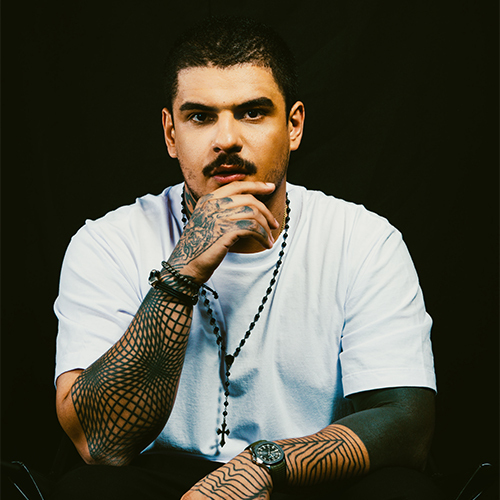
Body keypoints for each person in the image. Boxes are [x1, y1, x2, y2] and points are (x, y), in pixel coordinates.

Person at [53, 16, 440, 500]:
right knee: (90, 490)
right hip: (162, 480)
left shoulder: (363, 240)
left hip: (300, 475)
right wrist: (185, 269)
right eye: (200, 117)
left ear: (293, 125)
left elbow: (406, 424)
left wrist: (261, 465)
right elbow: (100, 443)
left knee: (402, 490)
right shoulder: (108, 242)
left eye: (253, 113)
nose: (227, 140)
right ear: (171, 134)